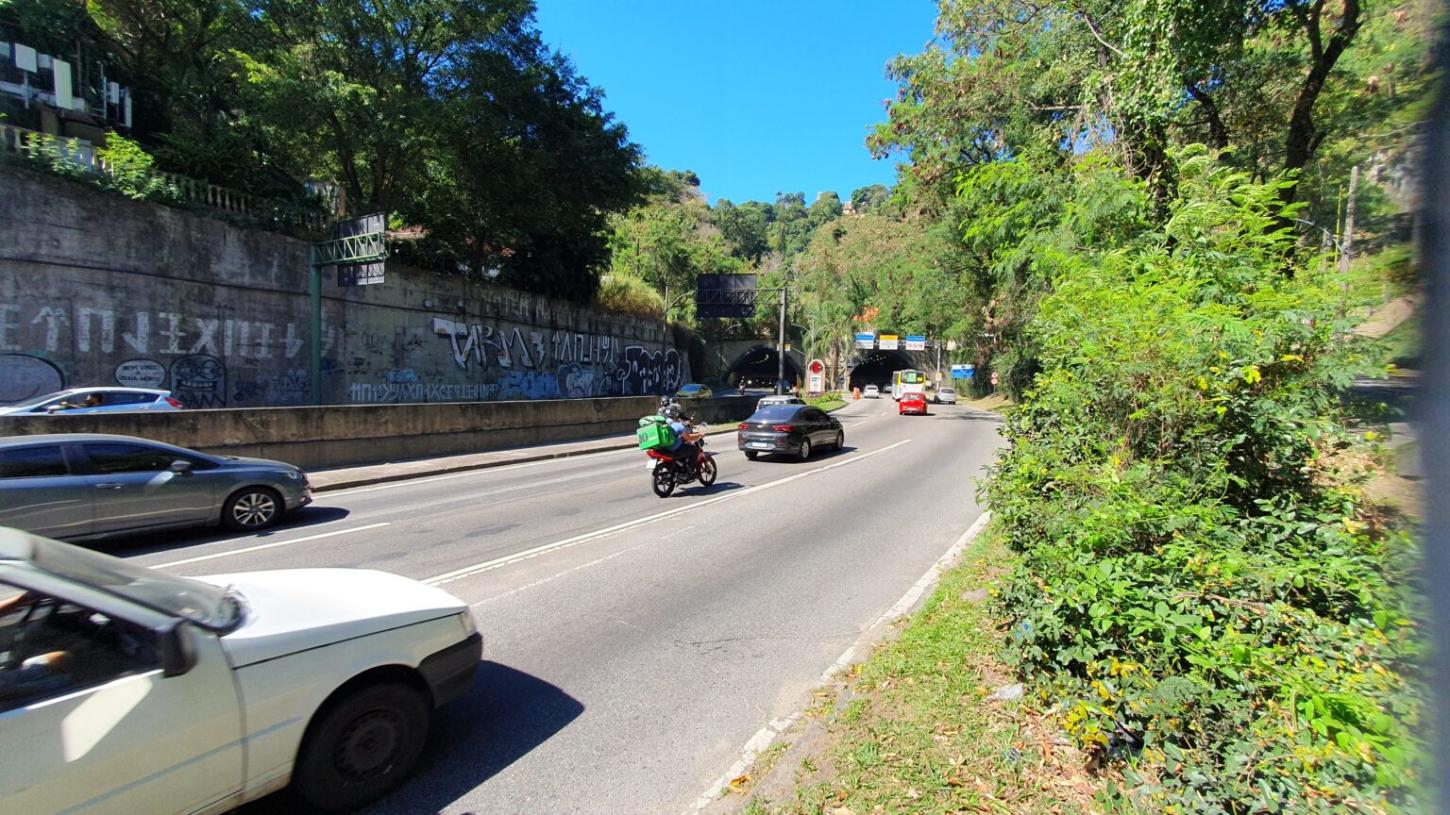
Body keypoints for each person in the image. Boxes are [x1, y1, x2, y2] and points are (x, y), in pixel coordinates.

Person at [662, 404, 704, 473]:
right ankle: (690, 470)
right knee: (694, 450)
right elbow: (688, 438)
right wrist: (700, 434)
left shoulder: (662, 423)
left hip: (664, 448)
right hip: (674, 449)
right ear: (675, 414)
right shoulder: (677, 425)